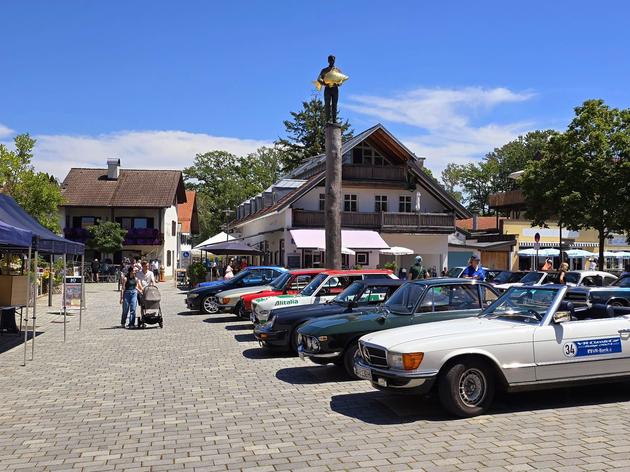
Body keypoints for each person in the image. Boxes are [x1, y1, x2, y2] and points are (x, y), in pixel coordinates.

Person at [318, 55, 341, 123]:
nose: (332, 61)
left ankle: (334, 120)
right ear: (328, 61)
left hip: (335, 89)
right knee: (327, 104)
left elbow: (341, 80)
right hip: (327, 89)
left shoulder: (337, 70)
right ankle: (327, 120)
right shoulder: (324, 70)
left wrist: (338, 83)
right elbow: (319, 79)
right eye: (330, 60)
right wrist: (325, 84)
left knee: (335, 104)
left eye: (333, 60)